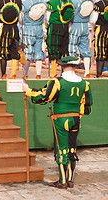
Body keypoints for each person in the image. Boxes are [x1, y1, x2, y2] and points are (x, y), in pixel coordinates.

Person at [22, 56, 92, 189]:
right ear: (75, 67)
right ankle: (70, 179)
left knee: (61, 149)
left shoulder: (57, 82)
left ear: (61, 66)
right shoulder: (84, 83)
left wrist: (28, 91)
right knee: (72, 148)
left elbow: (45, 96)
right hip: (76, 119)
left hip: (61, 119)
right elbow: (87, 105)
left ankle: (62, 181)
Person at [45, 0, 74, 78]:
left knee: (53, 48)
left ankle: (53, 73)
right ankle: (64, 72)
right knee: (64, 48)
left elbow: (47, 17)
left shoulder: (52, 1)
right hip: (65, 27)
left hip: (55, 26)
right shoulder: (69, 1)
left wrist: (47, 26)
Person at [0, 0, 22, 79]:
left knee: (3, 51)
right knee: (14, 49)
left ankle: (3, 74)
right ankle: (13, 74)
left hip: (4, 28)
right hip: (14, 28)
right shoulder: (18, 1)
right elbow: (20, 17)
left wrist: (0, 22)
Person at [20, 0, 46, 79]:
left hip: (28, 28)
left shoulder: (25, 3)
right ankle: (38, 74)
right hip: (39, 28)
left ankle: (25, 74)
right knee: (38, 51)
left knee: (27, 51)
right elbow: (46, 17)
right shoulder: (42, 3)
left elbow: (21, 18)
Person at [69, 0, 94, 78]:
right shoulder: (90, 1)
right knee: (85, 48)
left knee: (72, 47)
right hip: (85, 26)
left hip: (75, 25)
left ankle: (72, 72)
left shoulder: (72, 1)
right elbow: (91, 17)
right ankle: (87, 71)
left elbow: (69, 15)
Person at [89, 0, 108, 78]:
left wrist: (94, 27)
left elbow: (93, 20)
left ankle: (99, 74)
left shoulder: (98, 4)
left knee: (100, 49)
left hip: (102, 28)